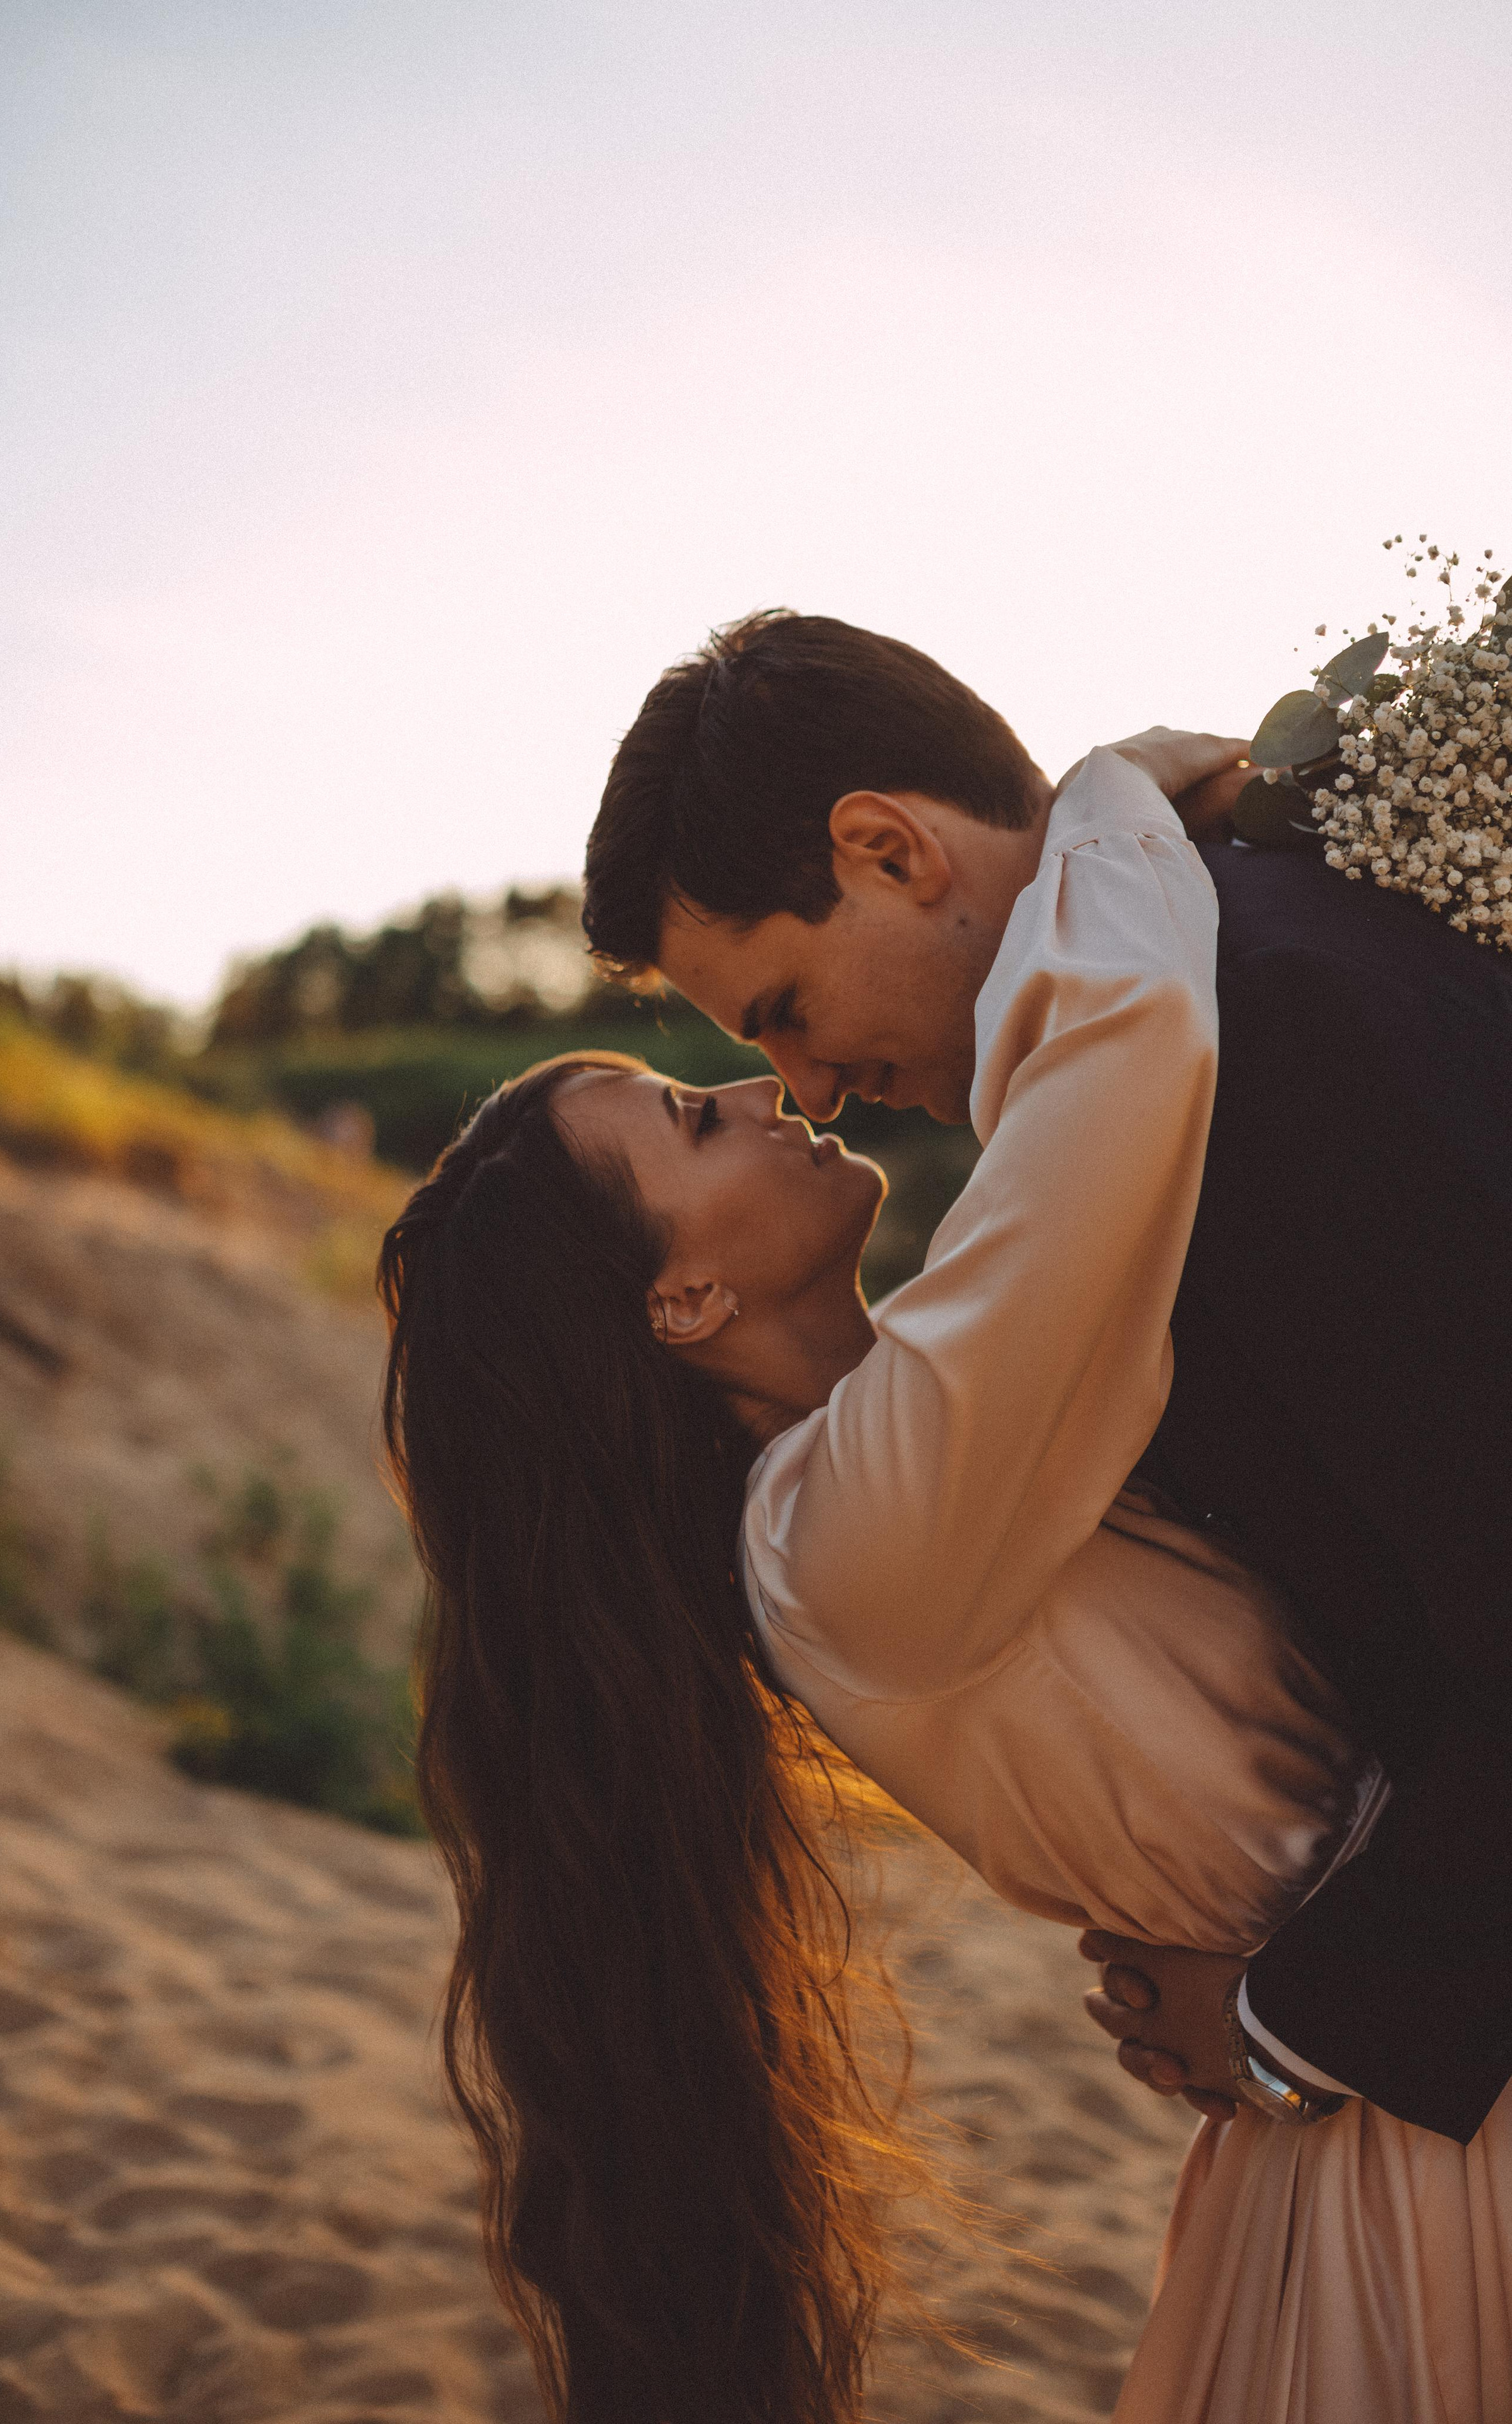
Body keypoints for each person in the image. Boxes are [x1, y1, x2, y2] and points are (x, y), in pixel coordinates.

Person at [384, 742, 1510, 2424]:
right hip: (1394, 2089)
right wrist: (1107, 803)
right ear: (681, 1303)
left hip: (1389, 2040)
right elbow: (1113, 1086)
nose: (788, 1093)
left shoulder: (893, 1462)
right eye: (705, 1109)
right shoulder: (841, 1543)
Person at [582, 608, 1512, 2152]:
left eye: (784, 1011)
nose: (805, 1089)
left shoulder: (1266, 1031)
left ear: (886, 850)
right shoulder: (1227, 971)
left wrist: (1299, 2017)